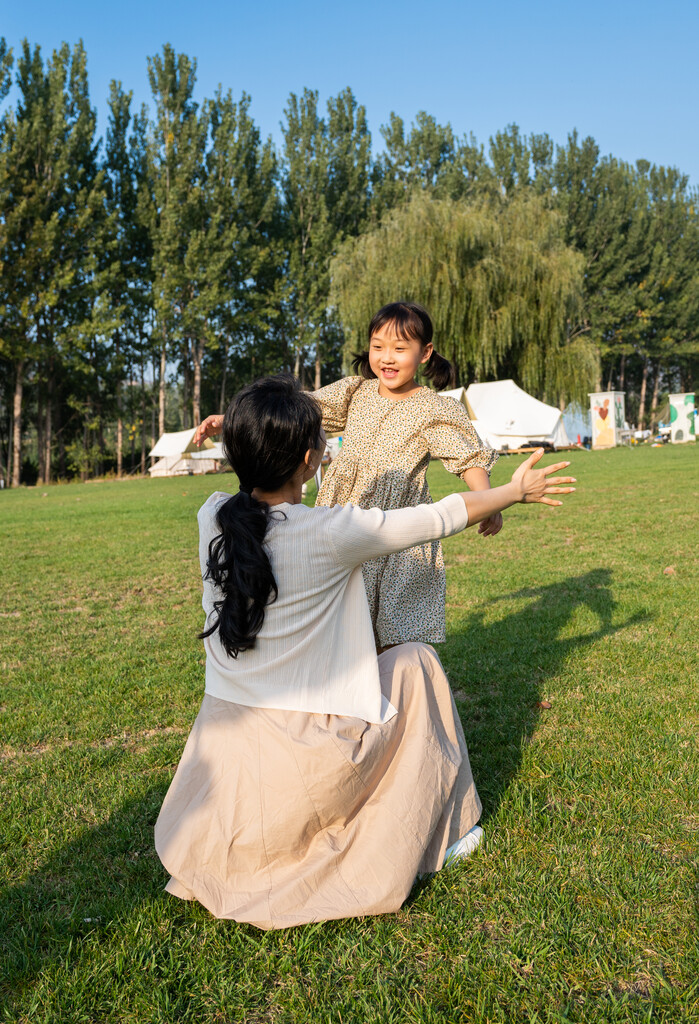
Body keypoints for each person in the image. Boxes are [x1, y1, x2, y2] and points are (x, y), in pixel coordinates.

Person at [156, 374, 575, 930]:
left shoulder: (212, 516)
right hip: (302, 769)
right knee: (415, 662)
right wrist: (513, 493)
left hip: (225, 767)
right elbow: (441, 516)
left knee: (395, 665)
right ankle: (449, 829)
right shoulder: (331, 531)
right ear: (311, 460)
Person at [194, 301, 500, 651]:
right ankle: (346, 680)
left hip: (395, 522)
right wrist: (231, 418)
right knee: (342, 613)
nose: (387, 357)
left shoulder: (433, 407)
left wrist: (488, 501)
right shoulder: (357, 391)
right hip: (343, 515)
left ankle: (390, 680)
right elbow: (295, 411)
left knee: (391, 622)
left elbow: (467, 456)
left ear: (425, 353)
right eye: (378, 346)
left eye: (400, 349)